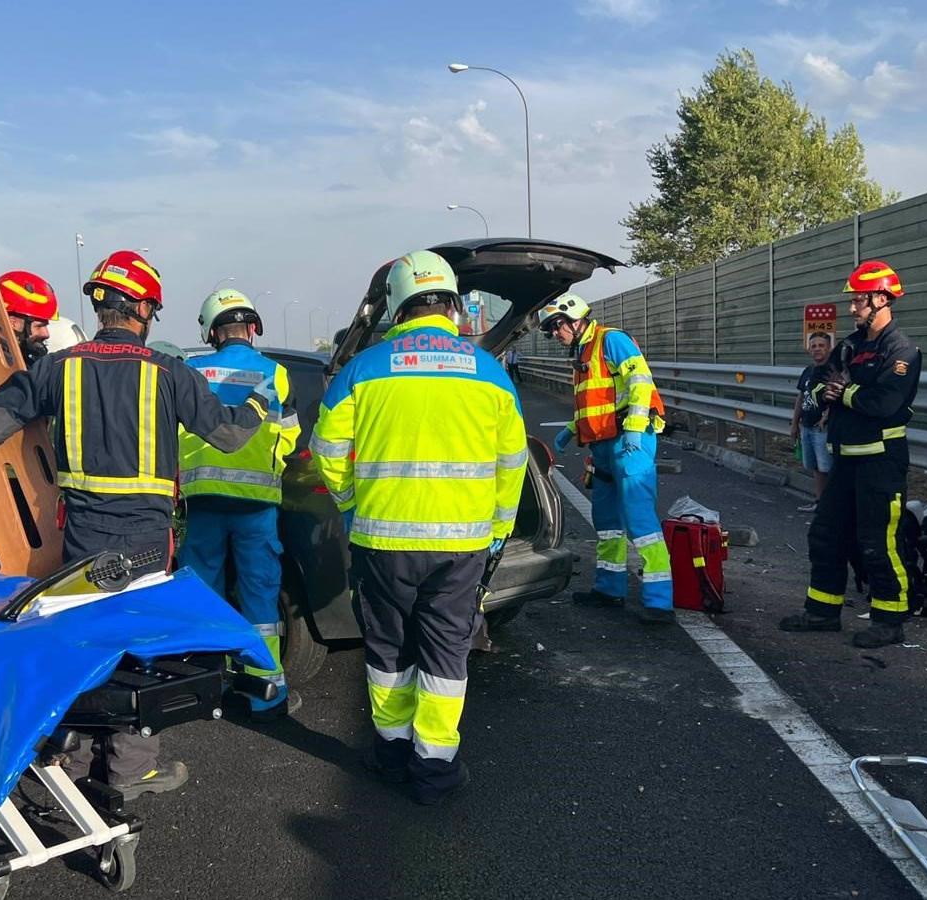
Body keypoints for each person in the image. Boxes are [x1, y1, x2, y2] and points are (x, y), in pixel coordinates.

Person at [0, 249, 272, 799]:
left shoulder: (55, 368)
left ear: (101, 306)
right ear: (142, 309)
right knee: (141, 647)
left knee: (83, 643)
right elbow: (228, 435)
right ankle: (130, 772)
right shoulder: (169, 373)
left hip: (82, 535)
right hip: (145, 542)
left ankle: (73, 755)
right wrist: (259, 407)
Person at [311, 249, 527, 805]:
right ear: (454, 305)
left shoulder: (364, 368)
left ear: (399, 308)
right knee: (446, 655)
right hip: (462, 546)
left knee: (388, 651)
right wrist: (498, 528)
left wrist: (352, 503)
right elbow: (512, 462)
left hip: (383, 541)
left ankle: (390, 753)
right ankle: (435, 770)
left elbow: (327, 450)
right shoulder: (490, 372)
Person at [780, 261, 921, 648]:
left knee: (878, 541)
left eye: (859, 300)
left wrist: (846, 392)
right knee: (826, 535)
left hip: (881, 461)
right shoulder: (852, 345)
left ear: (881, 299)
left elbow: (884, 402)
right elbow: (828, 380)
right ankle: (822, 611)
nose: (852, 307)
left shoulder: (901, 349)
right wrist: (841, 390)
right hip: (845, 457)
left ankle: (890, 620)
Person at [180, 288, 301, 722]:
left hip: (203, 501)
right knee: (259, 599)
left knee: (203, 595)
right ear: (252, 328)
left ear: (213, 332)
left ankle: (205, 688)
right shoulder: (275, 372)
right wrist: (270, 464)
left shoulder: (190, 371)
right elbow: (288, 433)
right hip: (257, 504)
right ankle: (264, 694)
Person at [540, 293, 675, 625]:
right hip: (603, 446)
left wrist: (633, 428)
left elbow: (640, 382)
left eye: (556, 327)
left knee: (641, 521)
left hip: (630, 442)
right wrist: (571, 429)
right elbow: (597, 405)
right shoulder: (583, 355)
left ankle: (660, 601)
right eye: (551, 330)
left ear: (575, 319)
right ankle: (609, 588)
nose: (555, 335)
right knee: (607, 522)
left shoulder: (610, 340)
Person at [792, 332, 835, 512]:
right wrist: (795, 423)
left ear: (829, 348)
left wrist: (827, 415)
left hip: (823, 428)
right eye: (814, 346)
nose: (817, 349)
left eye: (821, 345)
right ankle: (819, 502)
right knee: (815, 466)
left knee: (827, 466)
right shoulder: (808, 371)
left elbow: (837, 395)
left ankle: (832, 504)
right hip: (807, 425)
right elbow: (801, 397)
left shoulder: (833, 371)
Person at [0, 270, 59, 364]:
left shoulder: (26, 361)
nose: (46, 334)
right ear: (12, 323)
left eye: (46, 326)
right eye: (39, 326)